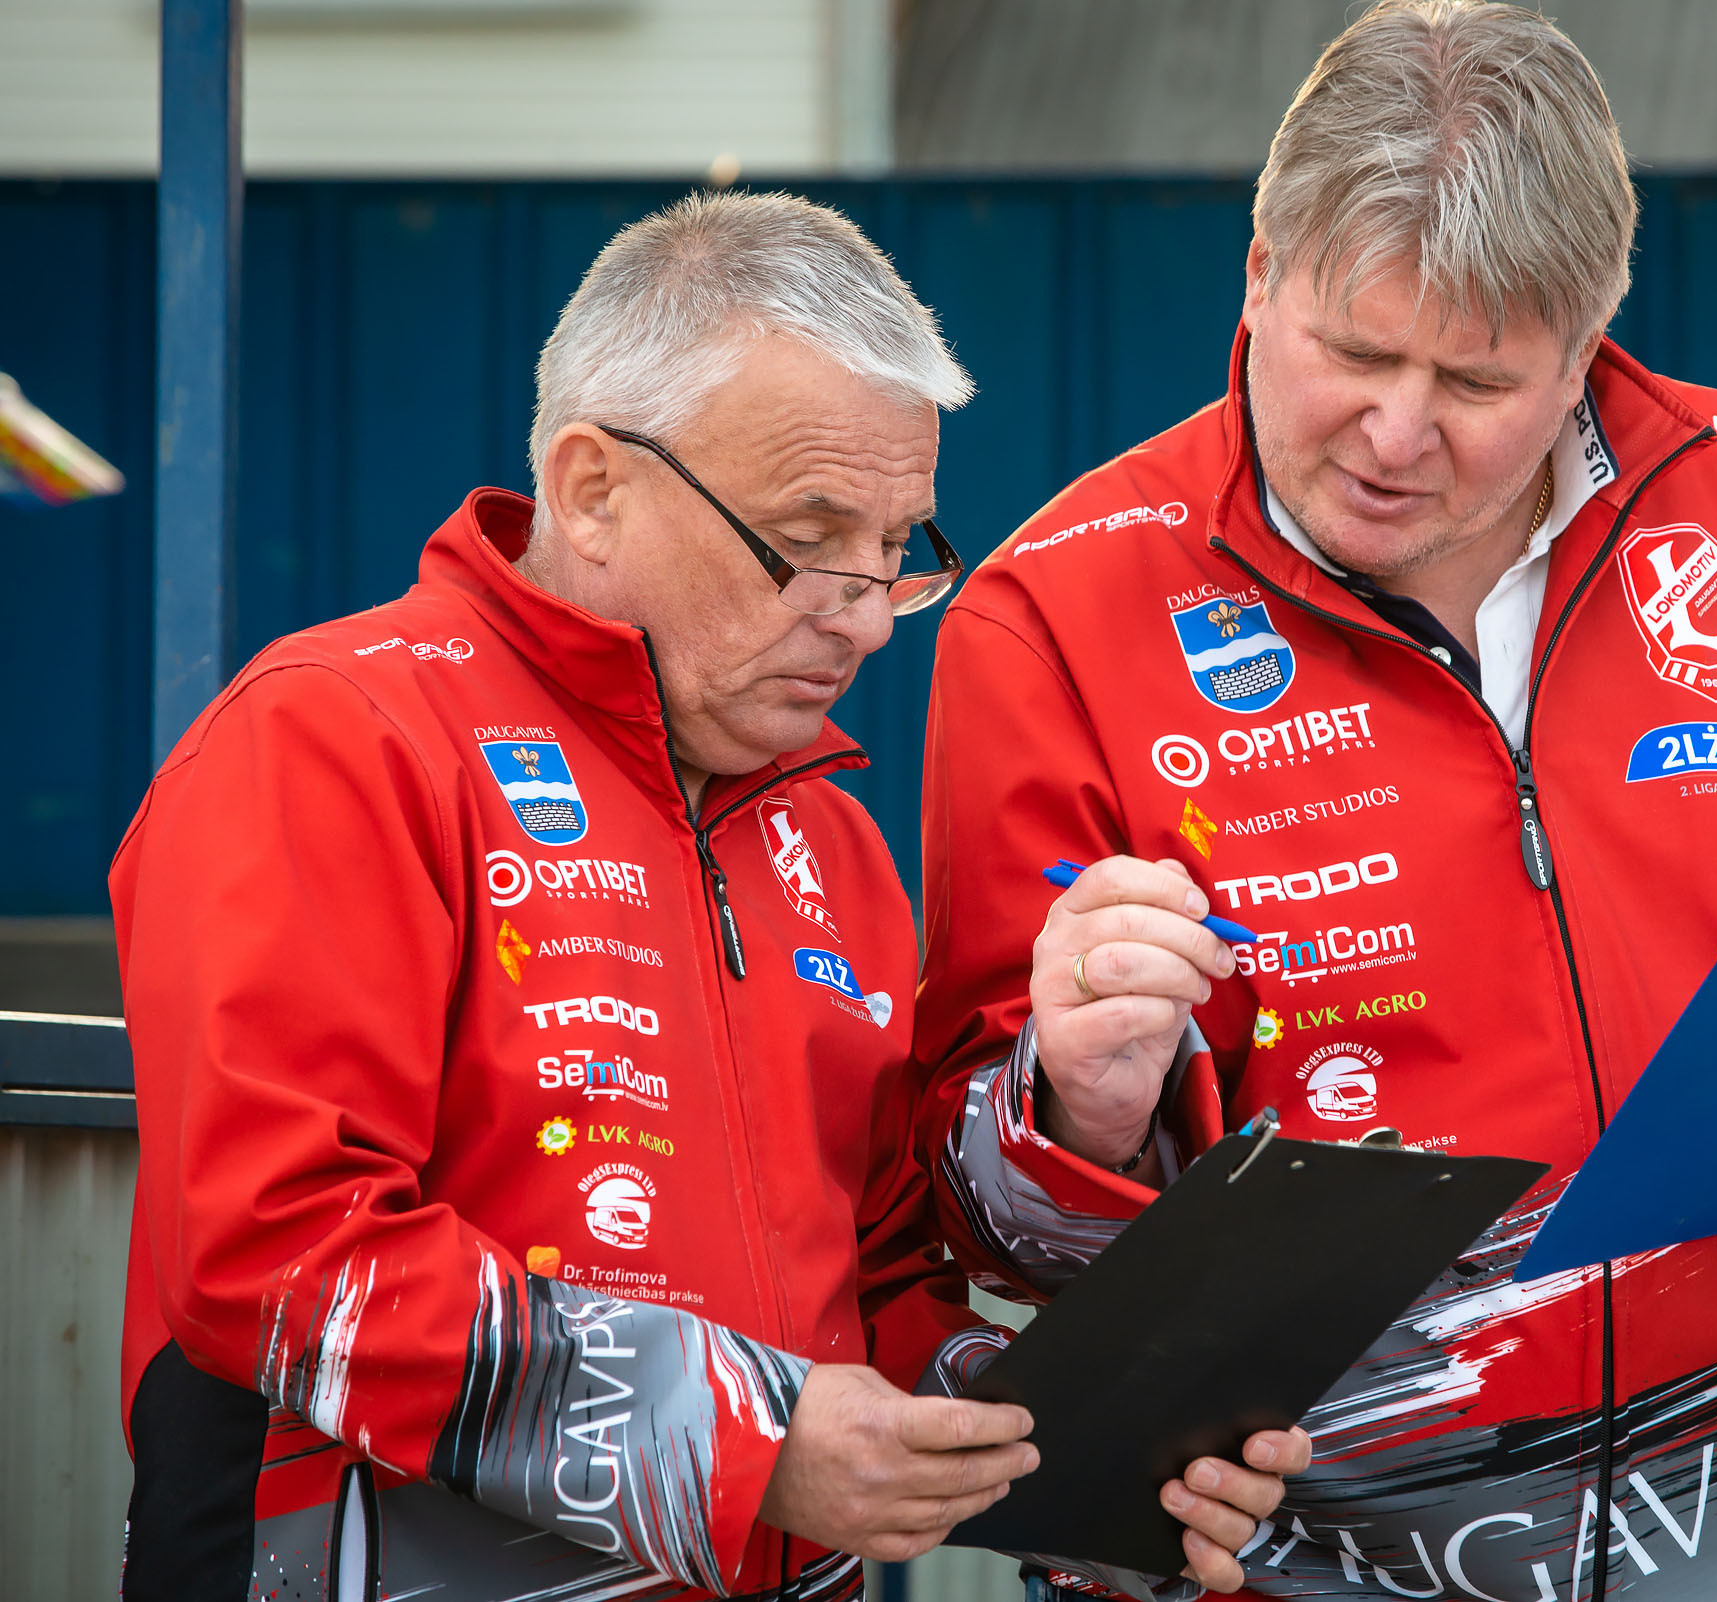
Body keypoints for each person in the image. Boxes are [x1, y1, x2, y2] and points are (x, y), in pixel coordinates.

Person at [913, 4, 1717, 1598]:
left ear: (1583, 347)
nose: (1395, 432)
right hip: (1286, 1563)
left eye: (1476, 378)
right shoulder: (1055, 614)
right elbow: (982, 1217)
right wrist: (1072, 1104)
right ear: (1260, 275)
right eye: (1355, 352)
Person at [113, 191, 1298, 1602]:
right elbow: (276, 1250)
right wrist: (746, 1440)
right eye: (809, 537)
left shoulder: (830, 838)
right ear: (592, 487)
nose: (866, 614)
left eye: (898, 548)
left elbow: (869, 1291)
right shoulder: (336, 737)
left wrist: (1089, 1456)